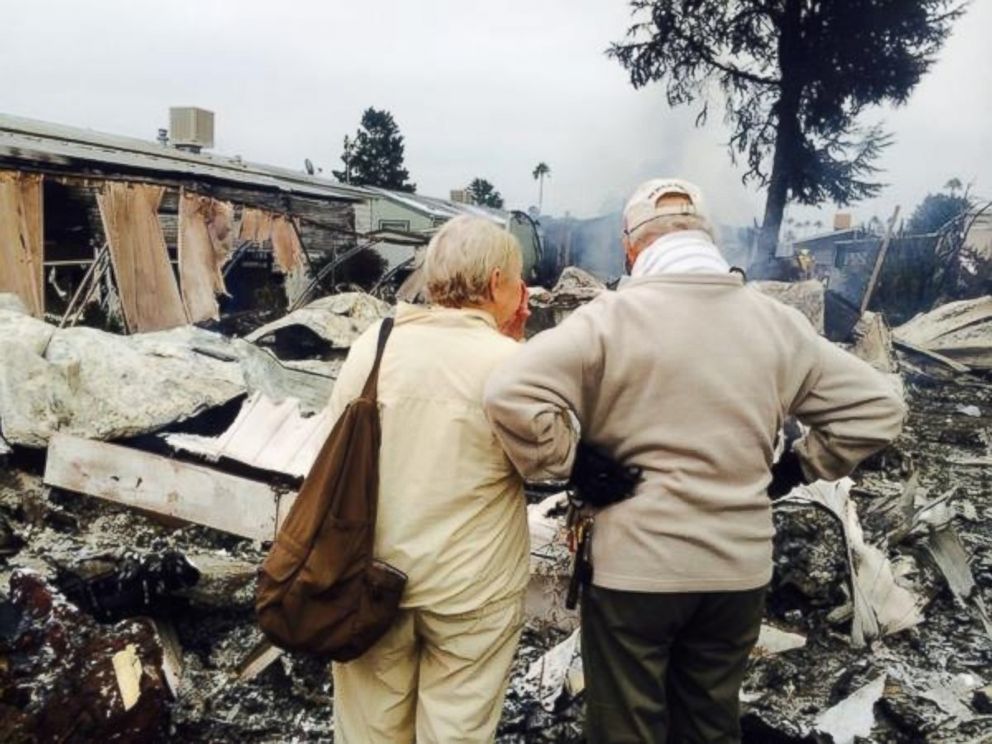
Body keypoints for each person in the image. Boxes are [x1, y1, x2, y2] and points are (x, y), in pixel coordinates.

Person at [483, 178, 906, 743]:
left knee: (625, 729)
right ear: (708, 237)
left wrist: (571, 461)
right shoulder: (775, 323)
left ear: (631, 247)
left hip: (635, 571)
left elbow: (509, 391)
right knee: (709, 726)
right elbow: (878, 407)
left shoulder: (611, 318)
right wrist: (799, 467)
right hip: (736, 573)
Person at [328, 215, 530, 743]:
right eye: (517, 278)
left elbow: (329, 449)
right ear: (494, 285)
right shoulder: (511, 365)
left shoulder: (375, 341)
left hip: (370, 577)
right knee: (457, 732)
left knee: (369, 729)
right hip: (471, 591)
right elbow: (550, 462)